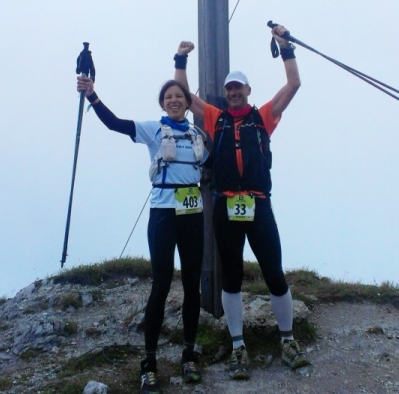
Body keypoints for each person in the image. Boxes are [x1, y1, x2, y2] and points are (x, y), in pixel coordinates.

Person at [173, 24, 311, 380]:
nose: (234, 92)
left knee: (274, 272)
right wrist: (181, 59)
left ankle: (288, 341)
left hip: (258, 204)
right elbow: (184, 96)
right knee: (231, 277)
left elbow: (294, 84)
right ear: (225, 93)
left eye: (239, 88)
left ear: (248, 91)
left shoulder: (262, 116)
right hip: (225, 206)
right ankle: (238, 348)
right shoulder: (215, 118)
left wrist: (285, 47)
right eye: (229, 89)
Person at [77, 75, 208, 393]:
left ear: (187, 102)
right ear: (163, 104)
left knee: (192, 285)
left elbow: (217, 159)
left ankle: (189, 355)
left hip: (192, 215)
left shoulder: (197, 136)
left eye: (179, 96)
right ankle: (148, 364)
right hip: (163, 214)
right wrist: (92, 95)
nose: (174, 100)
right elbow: (115, 124)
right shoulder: (153, 130)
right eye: (168, 97)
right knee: (161, 285)